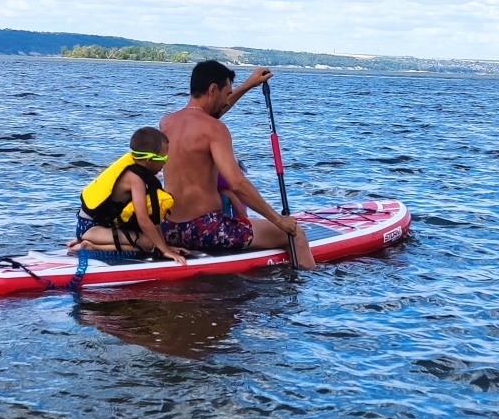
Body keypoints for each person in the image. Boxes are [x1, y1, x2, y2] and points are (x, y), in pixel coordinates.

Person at [159, 61, 318, 267]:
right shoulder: (215, 129)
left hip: (169, 229)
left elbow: (205, 117)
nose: (227, 102)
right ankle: (304, 291)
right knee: (296, 235)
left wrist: (248, 85)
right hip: (206, 230)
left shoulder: (167, 123)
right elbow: (237, 183)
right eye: (226, 94)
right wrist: (280, 221)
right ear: (213, 90)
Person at [66, 127, 188, 261]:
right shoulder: (135, 179)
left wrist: (165, 247)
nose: (165, 163)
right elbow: (143, 219)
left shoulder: (141, 174)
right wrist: (164, 251)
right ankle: (91, 246)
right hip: (89, 228)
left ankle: (92, 241)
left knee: (151, 241)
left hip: (98, 226)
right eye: (164, 158)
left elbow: (153, 217)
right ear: (149, 160)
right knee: (148, 244)